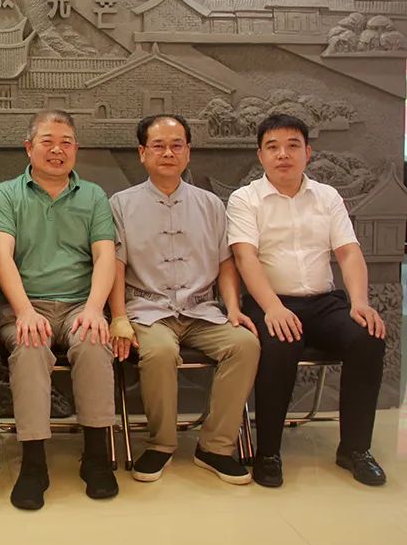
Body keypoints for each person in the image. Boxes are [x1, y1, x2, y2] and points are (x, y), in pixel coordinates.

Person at [228, 113, 386, 488]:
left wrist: (359, 302)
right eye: (273, 147)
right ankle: (268, 453)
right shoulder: (245, 199)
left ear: (307, 152)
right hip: (269, 301)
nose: (283, 154)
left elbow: (348, 252)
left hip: (324, 302)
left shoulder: (327, 196)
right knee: (280, 344)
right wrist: (273, 307)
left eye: (292, 145)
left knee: (367, 338)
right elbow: (245, 258)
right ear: (261, 155)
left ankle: (355, 449)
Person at [108, 114, 259, 485]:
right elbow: (115, 264)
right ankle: (161, 444)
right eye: (158, 146)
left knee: (245, 345)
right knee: (159, 352)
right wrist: (118, 317)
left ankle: (215, 447)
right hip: (147, 310)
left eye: (176, 145)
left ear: (188, 152)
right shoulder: (121, 204)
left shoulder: (211, 204)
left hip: (202, 310)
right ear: (142, 153)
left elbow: (225, 263)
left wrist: (233, 309)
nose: (168, 153)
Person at [0, 109, 119, 510]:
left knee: (94, 343)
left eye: (66, 142)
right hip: (26, 306)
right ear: (29, 147)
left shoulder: (94, 195)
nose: (57, 150)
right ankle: (33, 463)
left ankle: (96, 456)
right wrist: (24, 311)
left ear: (76, 149)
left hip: (81, 303)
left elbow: (105, 256)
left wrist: (95, 309)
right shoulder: (5, 194)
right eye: (47, 141)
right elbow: (0, 256)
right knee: (30, 347)